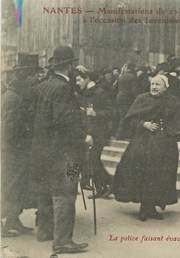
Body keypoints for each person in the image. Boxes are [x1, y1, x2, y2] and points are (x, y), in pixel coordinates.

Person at [31, 46, 90, 253]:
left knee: (46, 190)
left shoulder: (42, 86)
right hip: (68, 155)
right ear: (70, 65)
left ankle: (45, 232)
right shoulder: (64, 89)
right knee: (67, 192)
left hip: (42, 151)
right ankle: (63, 241)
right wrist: (85, 136)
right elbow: (66, 121)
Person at [113, 74, 180, 221]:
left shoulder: (173, 101)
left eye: (158, 84)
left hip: (165, 145)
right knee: (144, 174)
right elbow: (130, 120)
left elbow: (178, 121)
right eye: (152, 84)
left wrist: (178, 130)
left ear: (166, 87)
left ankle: (152, 207)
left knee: (160, 176)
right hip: (143, 143)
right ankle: (144, 208)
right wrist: (143, 124)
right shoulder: (142, 99)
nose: (154, 87)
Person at [1, 53, 40, 237]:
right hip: (13, 152)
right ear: (25, 74)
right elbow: (10, 129)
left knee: (16, 187)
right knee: (10, 186)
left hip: (16, 151)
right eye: (33, 74)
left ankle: (13, 220)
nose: (35, 78)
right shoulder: (14, 98)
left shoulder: (16, 94)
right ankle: (5, 224)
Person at [76, 69, 113, 199]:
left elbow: (111, 112)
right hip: (88, 132)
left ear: (87, 78)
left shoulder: (100, 92)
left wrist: (96, 113)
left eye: (79, 79)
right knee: (92, 160)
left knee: (93, 159)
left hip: (99, 132)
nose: (77, 82)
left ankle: (108, 183)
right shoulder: (84, 93)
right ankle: (104, 186)